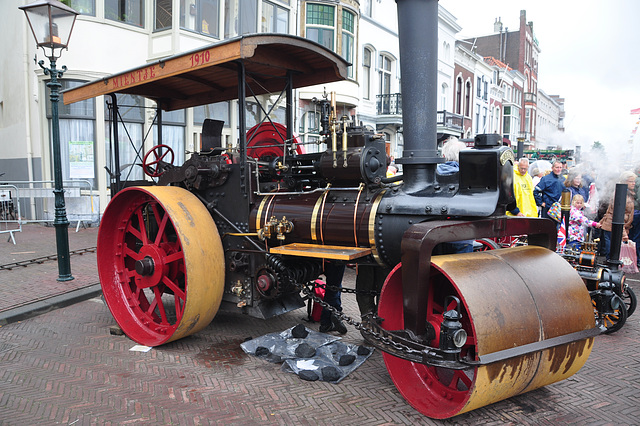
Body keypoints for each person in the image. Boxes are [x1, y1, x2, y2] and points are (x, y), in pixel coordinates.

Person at [435, 138, 473, 253]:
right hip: (462, 237)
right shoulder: (470, 176)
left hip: (435, 236)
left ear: (444, 155)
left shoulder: (433, 173)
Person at [598, 171, 636, 260]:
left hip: (618, 226)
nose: (633, 183)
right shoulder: (620, 194)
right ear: (625, 182)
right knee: (612, 250)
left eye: (634, 181)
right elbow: (617, 214)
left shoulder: (629, 193)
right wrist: (624, 234)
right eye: (631, 181)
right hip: (613, 226)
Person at [319, 262, 348, 334]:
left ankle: (334, 314)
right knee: (334, 288)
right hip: (334, 259)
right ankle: (329, 319)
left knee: (335, 287)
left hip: (326, 259)